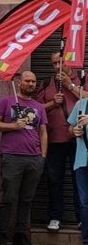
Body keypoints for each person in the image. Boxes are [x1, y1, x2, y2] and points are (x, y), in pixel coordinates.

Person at [0, 71, 47, 245]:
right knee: (9, 197)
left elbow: (43, 132)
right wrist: (13, 125)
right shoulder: (6, 101)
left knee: (27, 198)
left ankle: (21, 234)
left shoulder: (39, 107)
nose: (31, 84)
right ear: (19, 82)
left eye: (34, 81)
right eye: (27, 81)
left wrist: (42, 156)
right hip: (12, 156)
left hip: (34, 158)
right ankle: (2, 233)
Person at [35, 52, 84, 231]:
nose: (57, 67)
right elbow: (36, 108)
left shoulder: (81, 78)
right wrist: (52, 104)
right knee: (54, 179)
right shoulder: (46, 83)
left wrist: (69, 85)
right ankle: (55, 216)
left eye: (60, 62)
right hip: (54, 138)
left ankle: (81, 218)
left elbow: (86, 97)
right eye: (54, 63)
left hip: (79, 138)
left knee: (79, 179)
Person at [67, 94, 88, 245]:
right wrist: (73, 131)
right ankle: (87, 242)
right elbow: (69, 128)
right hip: (82, 161)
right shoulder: (81, 104)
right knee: (84, 203)